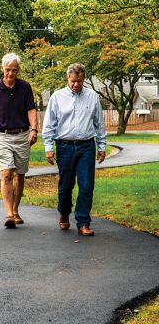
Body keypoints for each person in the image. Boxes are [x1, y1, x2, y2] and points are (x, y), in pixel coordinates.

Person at [42, 63, 106, 236]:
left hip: (86, 146)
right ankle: (64, 213)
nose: (76, 85)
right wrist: (49, 147)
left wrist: (101, 146)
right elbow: (49, 125)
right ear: (67, 79)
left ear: (83, 79)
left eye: (79, 81)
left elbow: (99, 123)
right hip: (65, 146)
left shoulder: (92, 96)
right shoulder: (57, 97)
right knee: (66, 185)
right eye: (73, 81)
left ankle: (83, 222)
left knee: (86, 185)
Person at [0, 52, 38, 228]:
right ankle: (8, 214)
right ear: (2, 69)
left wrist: (34, 129)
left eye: (14, 70)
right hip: (2, 136)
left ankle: (15, 210)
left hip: (22, 135)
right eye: (7, 70)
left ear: (18, 70)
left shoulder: (25, 87)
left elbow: (31, 110)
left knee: (19, 175)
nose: (10, 74)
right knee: (7, 173)